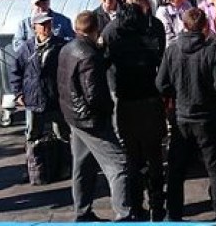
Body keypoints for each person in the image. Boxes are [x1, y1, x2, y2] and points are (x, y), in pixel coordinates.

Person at [156, 7, 216, 221]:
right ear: (205, 26)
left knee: (176, 169)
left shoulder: (173, 50)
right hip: (206, 117)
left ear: (184, 25)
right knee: (215, 167)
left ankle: (174, 213)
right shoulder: (210, 51)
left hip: (181, 116)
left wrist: (175, 95)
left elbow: (161, 84)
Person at [57, 11, 131, 222]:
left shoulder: (68, 48)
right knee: (119, 165)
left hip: (73, 116)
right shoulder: (88, 55)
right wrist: (106, 111)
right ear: (95, 29)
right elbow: (93, 94)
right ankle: (124, 215)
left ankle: (82, 212)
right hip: (90, 120)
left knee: (82, 165)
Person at [101, 0, 167, 221]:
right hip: (150, 100)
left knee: (132, 158)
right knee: (154, 156)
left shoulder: (115, 38)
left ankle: (137, 206)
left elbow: (104, 62)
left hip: (127, 103)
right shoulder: (151, 34)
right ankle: (158, 204)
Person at [10, 13, 69, 148]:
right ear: (34, 27)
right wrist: (18, 93)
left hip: (56, 98)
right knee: (33, 135)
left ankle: (64, 164)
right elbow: (15, 71)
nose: (46, 27)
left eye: (48, 23)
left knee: (62, 135)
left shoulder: (61, 45)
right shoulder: (26, 48)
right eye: (42, 24)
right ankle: (34, 164)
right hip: (33, 98)